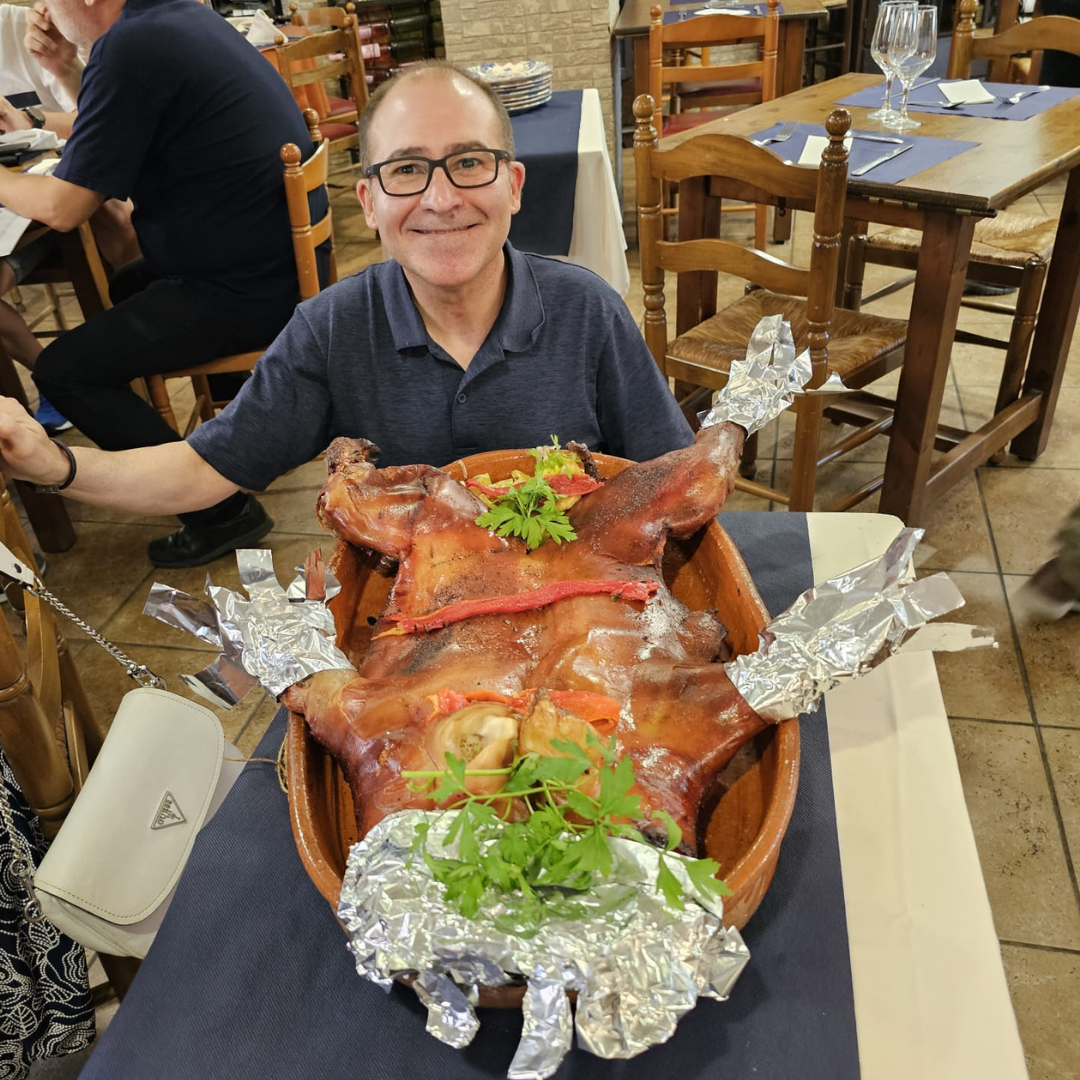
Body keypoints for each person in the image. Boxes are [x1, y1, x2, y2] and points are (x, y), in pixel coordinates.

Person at [0, 61, 692, 545]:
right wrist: (53, 463)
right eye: (405, 170)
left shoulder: (587, 310)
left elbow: (673, 482)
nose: (441, 198)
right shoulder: (332, 330)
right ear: (369, 200)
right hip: (415, 624)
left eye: (469, 163)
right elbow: (200, 471)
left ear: (513, 184)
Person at [0, 0, 329, 569]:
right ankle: (233, 434)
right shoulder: (178, 18)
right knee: (128, 289)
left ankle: (220, 511)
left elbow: (63, 206)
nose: (41, 11)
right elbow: (110, 134)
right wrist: (65, 68)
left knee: (64, 370)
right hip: (275, 262)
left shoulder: (130, 46)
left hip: (244, 285)